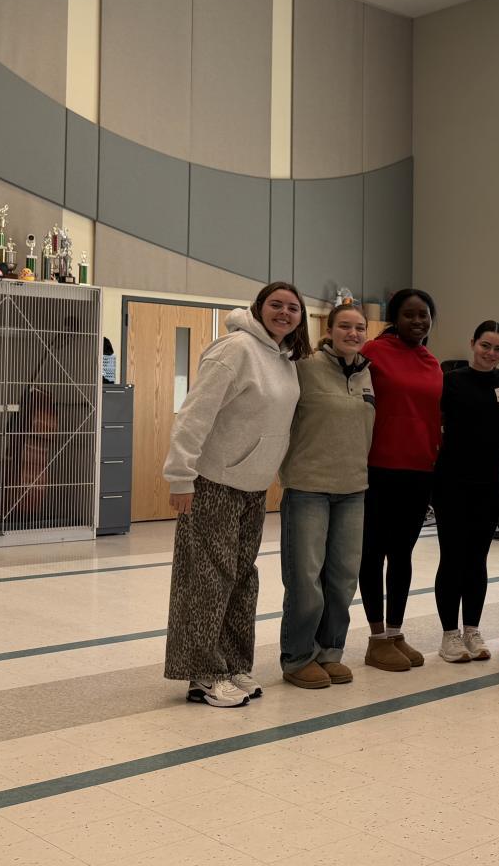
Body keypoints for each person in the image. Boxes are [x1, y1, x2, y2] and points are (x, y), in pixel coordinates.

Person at [163, 282, 308, 708]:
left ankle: (232, 665)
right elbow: (194, 414)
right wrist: (180, 477)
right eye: (276, 304)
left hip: (253, 487)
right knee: (207, 579)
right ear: (258, 307)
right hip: (213, 482)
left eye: (293, 307)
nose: (284, 313)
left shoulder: (285, 358)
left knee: (242, 578)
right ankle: (203, 674)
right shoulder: (235, 349)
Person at [277, 303, 375, 689]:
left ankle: (330, 652)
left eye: (360, 328)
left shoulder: (367, 373)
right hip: (308, 487)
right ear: (329, 329)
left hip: (353, 489)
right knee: (305, 578)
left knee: (343, 579)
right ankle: (298, 657)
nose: (353, 333)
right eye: (345, 326)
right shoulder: (304, 366)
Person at [359, 288, 442, 671]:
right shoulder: (373, 353)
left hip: (418, 470)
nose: (418, 321)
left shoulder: (431, 361)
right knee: (373, 553)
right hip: (377, 468)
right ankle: (376, 638)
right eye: (409, 314)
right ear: (395, 318)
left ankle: (395, 632)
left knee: (402, 554)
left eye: (424, 315)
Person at [433, 321, 499, 663]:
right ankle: (449, 635)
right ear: (472, 344)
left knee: (477, 558)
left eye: (498, 348)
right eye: (485, 345)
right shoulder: (451, 380)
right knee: (453, 557)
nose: (491, 353)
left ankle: (472, 629)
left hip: (489, 483)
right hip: (451, 482)